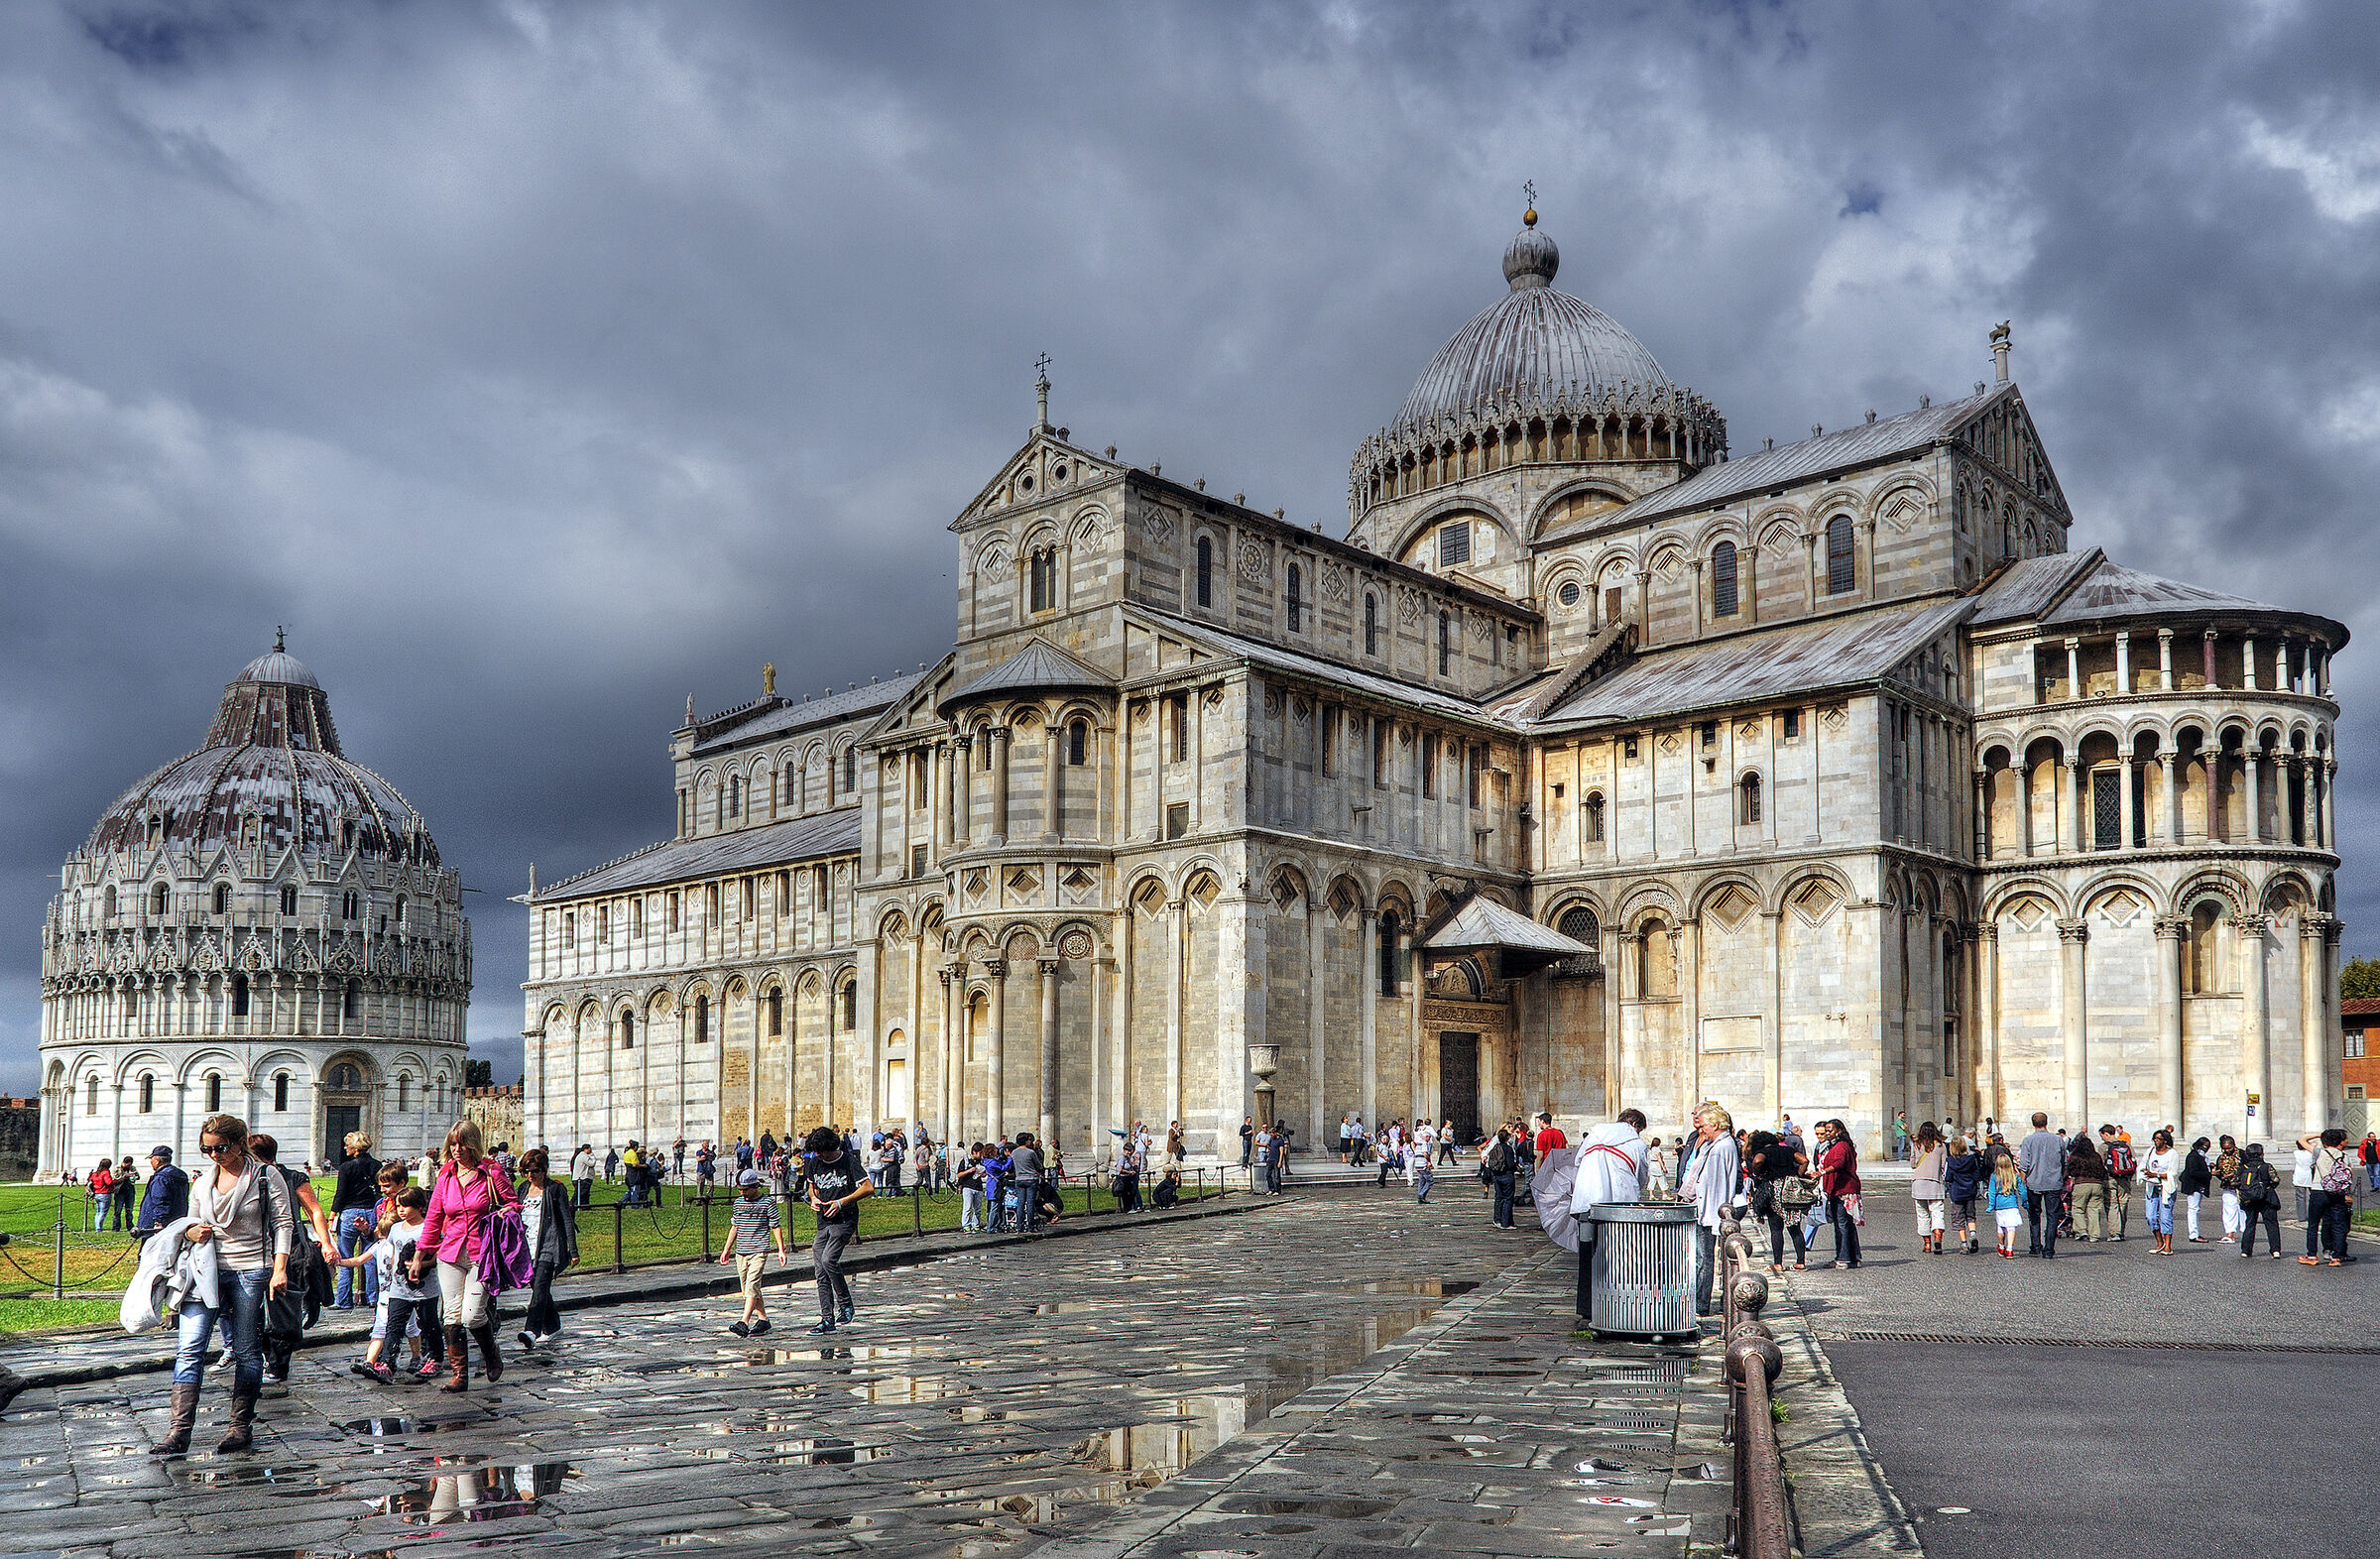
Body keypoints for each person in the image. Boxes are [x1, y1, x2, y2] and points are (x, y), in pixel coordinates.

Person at [154, 1113, 297, 1456]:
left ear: (239, 1143)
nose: (214, 1154)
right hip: (206, 1272)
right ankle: (178, 1432)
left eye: (221, 1148)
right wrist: (191, 1231)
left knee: (247, 1349)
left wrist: (280, 1268)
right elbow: (189, 1223)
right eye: (207, 1149)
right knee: (189, 1348)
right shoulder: (203, 1182)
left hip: (250, 1268)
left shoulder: (265, 1176)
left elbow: (284, 1223)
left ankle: (239, 1427)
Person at [410, 1120, 520, 1393]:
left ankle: (491, 1352)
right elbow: (434, 1218)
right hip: (450, 1253)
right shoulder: (446, 1174)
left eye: (462, 1144)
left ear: (473, 1145)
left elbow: (513, 1202)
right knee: (451, 1315)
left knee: (472, 1316)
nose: (457, 1150)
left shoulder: (491, 1172)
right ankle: (460, 1375)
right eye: (453, 1144)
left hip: (481, 1252)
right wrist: (418, 1256)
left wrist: (508, 1211)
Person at [328, 1190, 441, 1383]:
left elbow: (440, 1252)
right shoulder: (396, 1228)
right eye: (398, 1206)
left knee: (429, 1324)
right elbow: (386, 1248)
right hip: (398, 1288)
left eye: (406, 1206)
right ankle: (387, 1363)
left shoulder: (429, 1228)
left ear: (420, 1207)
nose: (401, 1210)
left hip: (425, 1288)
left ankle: (435, 1358)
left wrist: (422, 1264)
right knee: (393, 1326)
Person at [246, 1134, 332, 1384]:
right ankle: (263, 1357)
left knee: (281, 1307)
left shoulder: (293, 1177)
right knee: (255, 1307)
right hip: (257, 1248)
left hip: (289, 1248)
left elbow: (314, 1210)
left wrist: (326, 1243)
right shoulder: (249, 1176)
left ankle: (277, 1365)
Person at [1569, 1109, 1651, 1323]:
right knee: (1618, 1254)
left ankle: (1587, 1308)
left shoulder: (1595, 1133)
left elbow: (1578, 1162)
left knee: (1587, 1254)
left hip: (1586, 1202)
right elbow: (1641, 1176)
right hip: (1619, 1206)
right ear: (1635, 1125)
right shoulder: (1637, 1144)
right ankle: (1616, 1302)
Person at [802, 1126, 872, 1334]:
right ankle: (827, 1319)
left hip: (844, 1219)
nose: (817, 1155)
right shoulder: (814, 1162)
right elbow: (811, 1187)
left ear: (830, 1147)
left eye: (820, 1151)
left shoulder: (848, 1161)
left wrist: (842, 1202)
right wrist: (814, 1199)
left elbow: (868, 1187)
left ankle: (846, 1304)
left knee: (828, 1260)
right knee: (820, 1271)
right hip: (823, 1220)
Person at [515, 1147, 578, 1348]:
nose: (531, 1176)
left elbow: (567, 1220)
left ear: (544, 1169)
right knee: (537, 1286)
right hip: (528, 1246)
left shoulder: (555, 1189)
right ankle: (553, 1325)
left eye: (535, 1171)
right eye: (527, 1172)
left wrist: (573, 1251)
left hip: (549, 1245)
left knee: (540, 1286)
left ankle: (531, 1331)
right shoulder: (523, 1189)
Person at [715, 1168, 788, 1336]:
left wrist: (781, 1250)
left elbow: (775, 1226)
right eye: (740, 1190)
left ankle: (744, 1322)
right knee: (748, 1288)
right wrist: (726, 1249)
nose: (743, 1193)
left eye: (745, 1190)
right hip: (741, 1251)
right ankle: (763, 1320)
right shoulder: (738, 1203)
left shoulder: (767, 1203)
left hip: (759, 1250)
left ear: (755, 1186)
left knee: (752, 1285)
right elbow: (735, 1227)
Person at [1683, 1103, 1739, 1315]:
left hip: (1709, 1212)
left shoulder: (1721, 1147)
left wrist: (1711, 1215)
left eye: (1704, 1126)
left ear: (1715, 1124)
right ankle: (1699, 1300)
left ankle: (1700, 1303)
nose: (1701, 1130)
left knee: (1703, 1258)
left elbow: (1716, 1185)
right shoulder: (1715, 1144)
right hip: (1705, 1209)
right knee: (1701, 1257)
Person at [331, 1132, 384, 1311]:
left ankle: (344, 1300)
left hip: (349, 1212)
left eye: (348, 1145)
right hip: (371, 1210)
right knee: (370, 1256)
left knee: (345, 1257)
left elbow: (341, 1193)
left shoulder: (347, 1167)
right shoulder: (377, 1165)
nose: (345, 1148)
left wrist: (333, 1214)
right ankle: (372, 1298)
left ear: (354, 1148)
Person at [1744, 1129, 1808, 1272]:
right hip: (1790, 1190)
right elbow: (1804, 1160)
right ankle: (1800, 1262)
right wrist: (1796, 1175)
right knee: (1794, 1227)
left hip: (1773, 1190)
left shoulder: (1763, 1152)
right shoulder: (1788, 1150)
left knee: (1776, 1228)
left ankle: (1778, 1263)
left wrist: (1758, 1172)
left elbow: (1758, 1160)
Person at [2300, 1128, 2358, 1265]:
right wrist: (2347, 1194)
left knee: (2313, 1225)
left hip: (2319, 1190)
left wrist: (2319, 1134)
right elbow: (2348, 1175)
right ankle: (2336, 1257)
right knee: (2338, 1225)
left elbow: (2301, 1140)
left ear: (2325, 1141)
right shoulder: (2345, 1156)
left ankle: (2312, 1255)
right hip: (2337, 1193)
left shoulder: (2319, 1153)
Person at [2017, 1113, 2067, 1259]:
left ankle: (2035, 1246)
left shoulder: (2028, 1140)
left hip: (2034, 1182)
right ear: (2047, 1122)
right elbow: (2063, 1161)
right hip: (2053, 1182)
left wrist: (2023, 1182)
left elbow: (2024, 1164)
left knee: (2034, 1214)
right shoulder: (2058, 1140)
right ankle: (2049, 1249)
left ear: (2033, 1124)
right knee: (2052, 1216)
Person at [1814, 1119, 1861, 1268]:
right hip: (1839, 1188)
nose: (1827, 1133)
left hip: (1843, 1189)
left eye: (1829, 1130)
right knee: (1846, 1224)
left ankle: (1844, 1257)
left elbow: (1839, 1163)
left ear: (1838, 1131)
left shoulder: (1841, 1146)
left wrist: (1821, 1172)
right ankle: (1854, 1257)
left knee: (1842, 1225)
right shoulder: (1837, 1145)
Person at [133, 1145, 189, 1243]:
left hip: (157, 1226)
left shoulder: (161, 1178)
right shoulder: (180, 1174)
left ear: (157, 1160)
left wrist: (158, 1222)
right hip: (177, 1221)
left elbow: (160, 1199)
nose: (151, 1162)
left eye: (152, 1159)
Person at [2238, 1143, 2285, 1259]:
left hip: (2250, 1199)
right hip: (2267, 1198)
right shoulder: (2266, 1166)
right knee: (2272, 1224)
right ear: (2261, 1154)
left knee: (2250, 1224)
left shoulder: (2243, 1168)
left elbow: (2236, 1182)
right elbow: (2275, 1180)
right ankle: (2275, 1250)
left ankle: (2246, 1250)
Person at [1908, 1123, 1947, 1254]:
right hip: (1935, 1182)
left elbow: (1913, 1164)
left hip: (1918, 1182)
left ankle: (1927, 1244)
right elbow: (1943, 1166)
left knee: (1922, 1214)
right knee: (1937, 1211)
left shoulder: (1916, 1144)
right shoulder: (1941, 1146)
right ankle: (1937, 1237)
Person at [1943, 1135, 1985, 1254]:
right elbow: (1977, 1175)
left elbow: (1948, 1178)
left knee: (1958, 1218)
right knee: (1970, 1215)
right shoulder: (1971, 1160)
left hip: (1957, 1192)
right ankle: (1973, 1234)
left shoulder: (1950, 1161)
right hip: (1970, 1191)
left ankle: (1964, 1243)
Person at [2065, 1133, 2110, 1242]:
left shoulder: (2076, 1157)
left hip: (2081, 1184)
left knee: (2078, 1208)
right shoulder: (2096, 1156)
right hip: (2097, 1185)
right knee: (2094, 1210)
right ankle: (2094, 1235)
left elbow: (2069, 1171)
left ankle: (2081, 1231)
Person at [2140, 1129, 2179, 1255]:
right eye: (2155, 1139)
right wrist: (2143, 1173)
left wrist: (2155, 1174)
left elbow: (2172, 1173)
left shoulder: (2172, 1154)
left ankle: (2168, 1246)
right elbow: (2142, 1164)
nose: (2156, 1141)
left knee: (2165, 1217)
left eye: (2158, 1139)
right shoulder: (2150, 1151)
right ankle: (2159, 1242)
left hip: (2166, 1188)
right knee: (2150, 1217)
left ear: (2165, 1141)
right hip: (2152, 1187)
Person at [2096, 1125, 2136, 1241]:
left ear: (2107, 1134)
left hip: (2110, 1179)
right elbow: (2133, 1161)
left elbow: (2100, 1164)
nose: (2102, 1138)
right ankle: (2121, 1231)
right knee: (2123, 1203)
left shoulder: (2103, 1147)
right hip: (2125, 1179)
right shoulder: (2126, 1145)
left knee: (2112, 1204)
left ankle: (2115, 1233)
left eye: (2102, 1135)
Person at [1986, 1150, 2027, 1258]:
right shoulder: (2015, 1176)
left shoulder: (1994, 1176)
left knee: (2001, 1227)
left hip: (2000, 1205)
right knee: (2011, 1227)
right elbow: (2022, 1191)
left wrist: (1991, 1205)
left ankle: (2001, 1245)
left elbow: (1992, 1192)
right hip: (2012, 1204)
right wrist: (2025, 1202)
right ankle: (2010, 1249)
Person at [2179, 1137, 2213, 1242]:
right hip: (2193, 1186)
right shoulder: (2194, 1156)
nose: (2205, 1149)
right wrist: (2209, 1173)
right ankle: (2193, 1234)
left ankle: (2194, 1233)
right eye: (2204, 1146)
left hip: (2196, 1186)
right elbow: (2193, 1172)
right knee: (2193, 1209)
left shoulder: (2198, 1156)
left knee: (2195, 1208)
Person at [1484, 1127, 1518, 1229]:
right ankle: (1506, 1222)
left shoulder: (1495, 1148)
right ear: (1507, 1138)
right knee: (1508, 1198)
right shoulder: (1508, 1149)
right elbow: (1511, 1164)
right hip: (1507, 1175)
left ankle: (1497, 1219)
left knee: (1499, 1197)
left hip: (1496, 1175)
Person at [2212, 1135, 2244, 1243]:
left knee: (2243, 1208)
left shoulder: (2242, 1155)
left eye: (2229, 1148)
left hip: (2241, 1185)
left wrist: (2235, 1173)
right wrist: (2219, 1174)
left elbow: (2248, 1168)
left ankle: (2246, 1231)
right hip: (2228, 1185)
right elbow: (2219, 1171)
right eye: (2224, 1149)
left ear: (2234, 1145)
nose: (2227, 1151)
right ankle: (2230, 1232)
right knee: (2229, 1209)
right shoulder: (2220, 1158)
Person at [958, 1143, 989, 1230]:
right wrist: (969, 1171)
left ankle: (975, 1224)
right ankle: (966, 1225)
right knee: (967, 1207)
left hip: (978, 1186)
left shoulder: (981, 1162)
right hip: (968, 1186)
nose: (981, 1155)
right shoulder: (965, 1161)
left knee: (977, 1208)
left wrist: (983, 1174)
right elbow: (959, 1175)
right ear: (974, 1152)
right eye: (979, 1153)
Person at [1112, 1139, 1143, 1213]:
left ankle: (1132, 1207)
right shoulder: (1122, 1158)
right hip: (1122, 1178)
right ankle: (1127, 1209)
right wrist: (1129, 1172)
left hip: (1127, 1178)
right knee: (1125, 1194)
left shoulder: (1127, 1158)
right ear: (1125, 1150)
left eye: (1131, 1152)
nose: (1130, 1153)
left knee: (1130, 1193)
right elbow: (1120, 1169)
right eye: (1128, 1151)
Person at [570, 1143, 595, 1209]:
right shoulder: (584, 1156)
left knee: (583, 1193)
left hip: (579, 1177)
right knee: (581, 1193)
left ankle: (584, 1206)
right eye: (590, 1148)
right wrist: (592, 1157)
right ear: (586, 1149)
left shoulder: (581, 1155)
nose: (591, 1150)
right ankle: (573, 1205)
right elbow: (591, 1164)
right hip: (582, 1178)